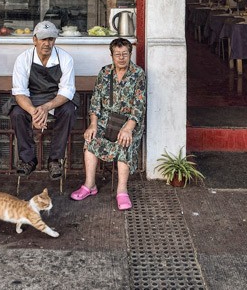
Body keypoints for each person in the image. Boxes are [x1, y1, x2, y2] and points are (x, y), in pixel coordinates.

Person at [70, 37, 146, 211]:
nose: (121, 58)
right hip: (106, 119)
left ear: (130, 54)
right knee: (91, 139)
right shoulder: (104, 72)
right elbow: (96, 101)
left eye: (125, 54)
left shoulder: (138, 74)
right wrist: (93, 124)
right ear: (111, 55)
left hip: (128, 121)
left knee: (124, 143)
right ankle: (89, 185)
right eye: (117, 54)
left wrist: (128, 128)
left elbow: (139, 105)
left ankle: (122, 190)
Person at [9, 20, 77, 179]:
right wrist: (34, 112)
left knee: (68, 111)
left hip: (56, 98)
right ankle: (28, 159)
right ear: (34, 39)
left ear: (55, 40)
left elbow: (67, 90)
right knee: (17, 113)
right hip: (30, 98)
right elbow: (19, 92)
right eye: (43, 39)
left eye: (50, 39)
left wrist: (47, 107)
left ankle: (54, 159)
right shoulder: (23, 59)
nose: (47, 43)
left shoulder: (65, 59)